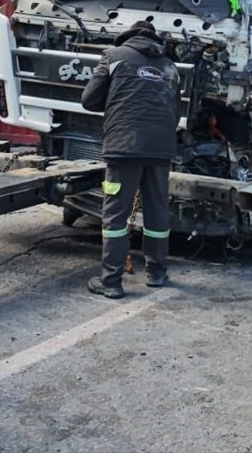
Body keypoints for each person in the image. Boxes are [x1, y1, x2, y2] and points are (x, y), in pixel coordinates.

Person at [81, 20, 180, 298]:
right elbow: (175, 112)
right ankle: (156, 273)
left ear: (127, 36)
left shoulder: (113, 56)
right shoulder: (170, 66)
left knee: (115, 215)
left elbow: (89, 100)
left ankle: (111, 282)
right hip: (160, 150)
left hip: (123, 148)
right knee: (157, 213)